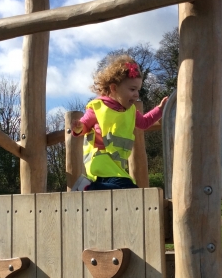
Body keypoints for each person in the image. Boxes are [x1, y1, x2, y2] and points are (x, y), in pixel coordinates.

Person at [71, 54, 168, 191]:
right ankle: (89, 188)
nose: (136, 94)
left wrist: (160, 109)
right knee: (129, 188)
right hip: (101, 160)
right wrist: (78, 127)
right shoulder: (99, 107)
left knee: (126, 189)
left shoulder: (130, 111)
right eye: (132, 89)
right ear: (114, 88)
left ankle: (91, 188)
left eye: (138, 90)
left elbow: (145, 122)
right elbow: (85, 125)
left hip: (115, 164)